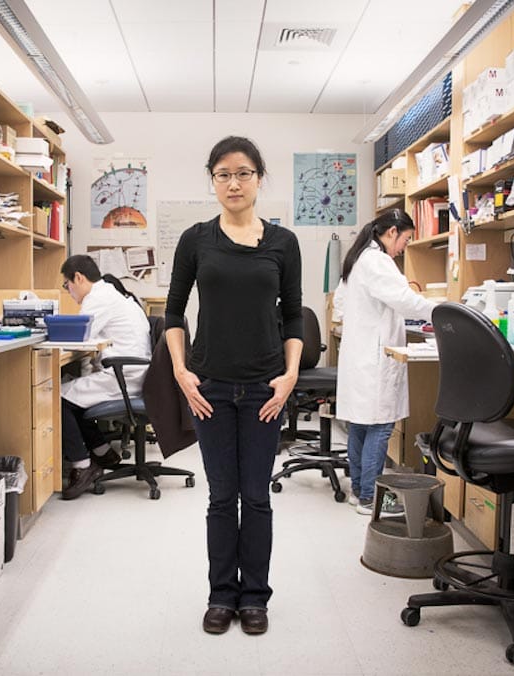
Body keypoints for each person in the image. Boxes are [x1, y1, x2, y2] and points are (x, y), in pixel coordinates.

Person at [164, 136, 303, 636]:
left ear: (259, 178)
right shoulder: (196, 239)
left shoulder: (282, 243)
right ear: (213, 181)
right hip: (211, 389)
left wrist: (289, 377)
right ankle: (222, 595)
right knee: (222, 498)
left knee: (257, 497)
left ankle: (255, 598)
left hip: (267, 389)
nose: (233, 182)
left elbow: (293, 317)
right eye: (223, 174)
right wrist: (182, 370)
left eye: (243, 173)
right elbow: (174, 311)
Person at [333, 210, 436, 515]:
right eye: (405, 239)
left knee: (361, 426)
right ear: (392, 232)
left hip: (360, 354)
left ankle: (358, 492)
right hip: (375, 357)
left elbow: (340, 303)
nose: (404, 247)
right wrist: (444, 312)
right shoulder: (378, 261)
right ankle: (369, 498)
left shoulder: (358, 259)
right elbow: (405, 300)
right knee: (380, 425)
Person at [58, 255, 153, 500]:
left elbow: (79, 336)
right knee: (75, 395)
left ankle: (82, 466)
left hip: (124, 375)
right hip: (131, 372)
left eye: (67, 285)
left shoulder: (98, 298)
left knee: (57, 397)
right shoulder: (112, 294)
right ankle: (102, 452)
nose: (69, 291)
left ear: (78, 277)